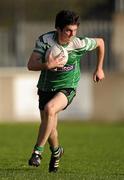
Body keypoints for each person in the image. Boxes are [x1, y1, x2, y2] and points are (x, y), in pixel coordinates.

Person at [27, 10, 105, 172]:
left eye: (75, 30)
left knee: (50, 109)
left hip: (67, 86)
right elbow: (31, 65)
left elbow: (100, 42)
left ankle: (37, 152)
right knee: (50, 128)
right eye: (68, 30)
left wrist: (99, 69)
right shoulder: (45, 41)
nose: (72, 34)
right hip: (46, 86)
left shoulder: (79, 43)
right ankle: (57, 152)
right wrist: (47, 66)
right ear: (58, 29)